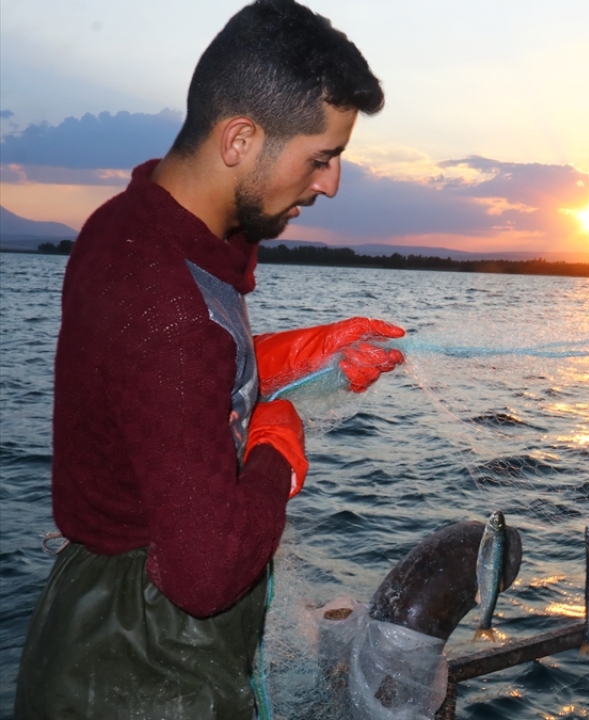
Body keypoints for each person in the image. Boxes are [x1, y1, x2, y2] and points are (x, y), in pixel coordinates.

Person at [14, 1, 404, 716]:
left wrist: (305, 354)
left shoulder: (129, 229)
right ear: (241, 139)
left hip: (90, 619)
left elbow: (168, 382)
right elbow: (206, 572)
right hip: (142, 660)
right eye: (321, 157)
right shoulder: (168, 301)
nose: (330, 184)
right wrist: (276, 451)